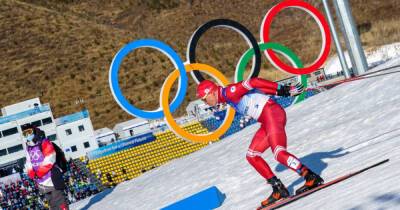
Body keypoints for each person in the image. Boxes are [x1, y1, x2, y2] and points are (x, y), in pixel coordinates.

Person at [196, 78, 324, 207]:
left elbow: (254, 82)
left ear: (211, 93)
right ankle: (278, 188)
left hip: (272, 115)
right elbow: (257, 90)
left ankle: (310, 177)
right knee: (252, 156)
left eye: (204, 99)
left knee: (279, 153)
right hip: (267, 120)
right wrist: (280, 92)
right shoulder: (226, 96)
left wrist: (281, 89)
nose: (205, 102)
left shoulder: (229, 92)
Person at [22, 124, 69, 210]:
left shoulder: (44, 142)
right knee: (51, 202)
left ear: (34, 131)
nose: (28, 135)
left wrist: (39, 172)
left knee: (58, 200)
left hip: (52, 177)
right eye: (25, 134)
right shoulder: (29, 147)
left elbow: (50, 158)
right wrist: (32, 173)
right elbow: (28, 162)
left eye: (29, 132)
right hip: (41, 180)